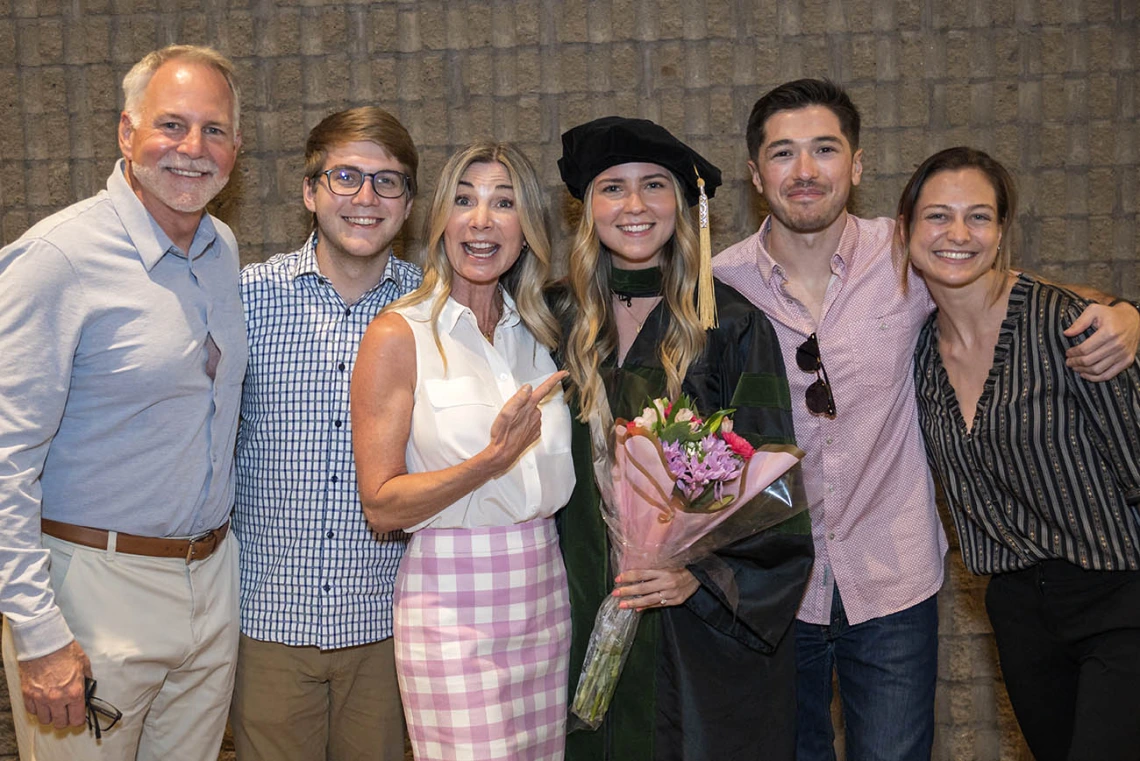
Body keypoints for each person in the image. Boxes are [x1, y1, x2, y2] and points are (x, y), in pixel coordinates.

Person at [712, 78, 1140, 761]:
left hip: (892, 582)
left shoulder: (908, 252)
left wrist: (1126, 313)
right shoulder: (719, 286)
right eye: (783, 153)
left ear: (855, 165)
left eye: (824, 149)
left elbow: (1008, 287)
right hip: (776, 592)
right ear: (755, 174)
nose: (804, 170)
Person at [0, 45, 245, 761]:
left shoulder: (222, 247)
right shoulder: (57, 259)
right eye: (171, 125)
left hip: (210, 580)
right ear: (126, 133)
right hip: (93, 593)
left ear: (237, 147)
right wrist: (37, 631)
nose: (193, 150)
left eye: (215, 130)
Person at [554, 116, 814, 761]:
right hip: (571, 601)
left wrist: (701, 577)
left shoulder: (728, 324)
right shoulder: (550, 318)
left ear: (683, 204)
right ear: (588, 209)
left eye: (655, 186)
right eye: (613, 188)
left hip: (691, 631)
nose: (635, 206)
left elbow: (772, 488)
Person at [896, 146, 1140, 761]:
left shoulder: (1072, 327)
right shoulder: (916, 353)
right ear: (905, 230)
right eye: (937, 216)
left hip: (1118, 595)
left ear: (1002, 232)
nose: (957, 234)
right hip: (1016, 612)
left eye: (978, 217)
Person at [350, 142, 575, 761]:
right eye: (464, 200)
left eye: (503, 203)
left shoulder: (540, 332)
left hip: (544, 593)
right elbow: (382, 506)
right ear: (440, 222)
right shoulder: (400, 333)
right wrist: (489, 462)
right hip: (451, 606)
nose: (482, 220)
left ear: (526, 228)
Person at [230, 107, 421, 761]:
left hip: (390, 627)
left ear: (408, 203)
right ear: (310, 191)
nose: (365, 198)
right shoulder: (244, 301)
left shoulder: (436, 311)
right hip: (268, 626)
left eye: (387, 181)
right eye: (345, 177)